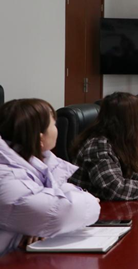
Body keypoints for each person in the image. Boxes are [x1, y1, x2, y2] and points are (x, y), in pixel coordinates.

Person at [0, 99, 100, 255]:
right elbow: (61, 213)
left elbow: (60, 192)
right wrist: (91, 200)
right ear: (40, 138)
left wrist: (37, 226)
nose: (57, 129)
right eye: (53, 124)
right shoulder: (6, 175)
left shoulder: (36, 162)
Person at [69, 92, 138, 200]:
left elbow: (130, 170)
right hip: (95, 207)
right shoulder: (98, 146)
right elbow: (115, 188)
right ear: (127, 122)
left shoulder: (117, 139)